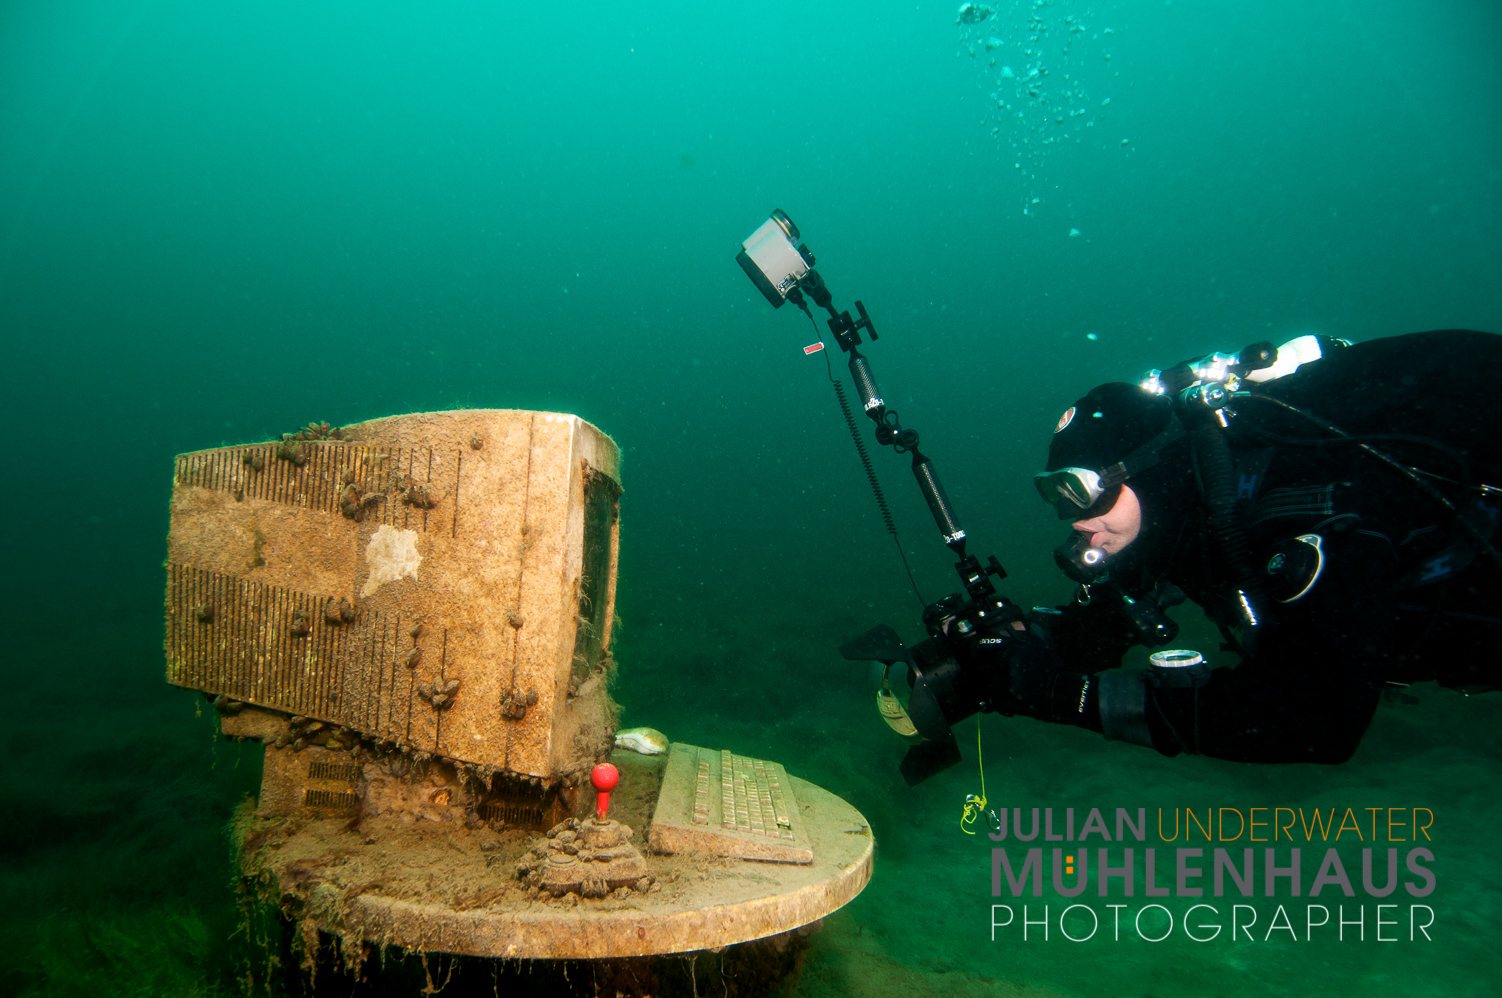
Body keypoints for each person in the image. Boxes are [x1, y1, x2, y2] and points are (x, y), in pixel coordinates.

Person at [993, 329, 1502, 763]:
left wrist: (1063, 696)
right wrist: (1021, 641)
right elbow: (1120, 617)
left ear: (1152, 469)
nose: (1074, 520)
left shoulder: (1301, 509)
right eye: (1057, 497)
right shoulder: (1189, 520)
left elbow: (1315, 719)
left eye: (1082, 492)